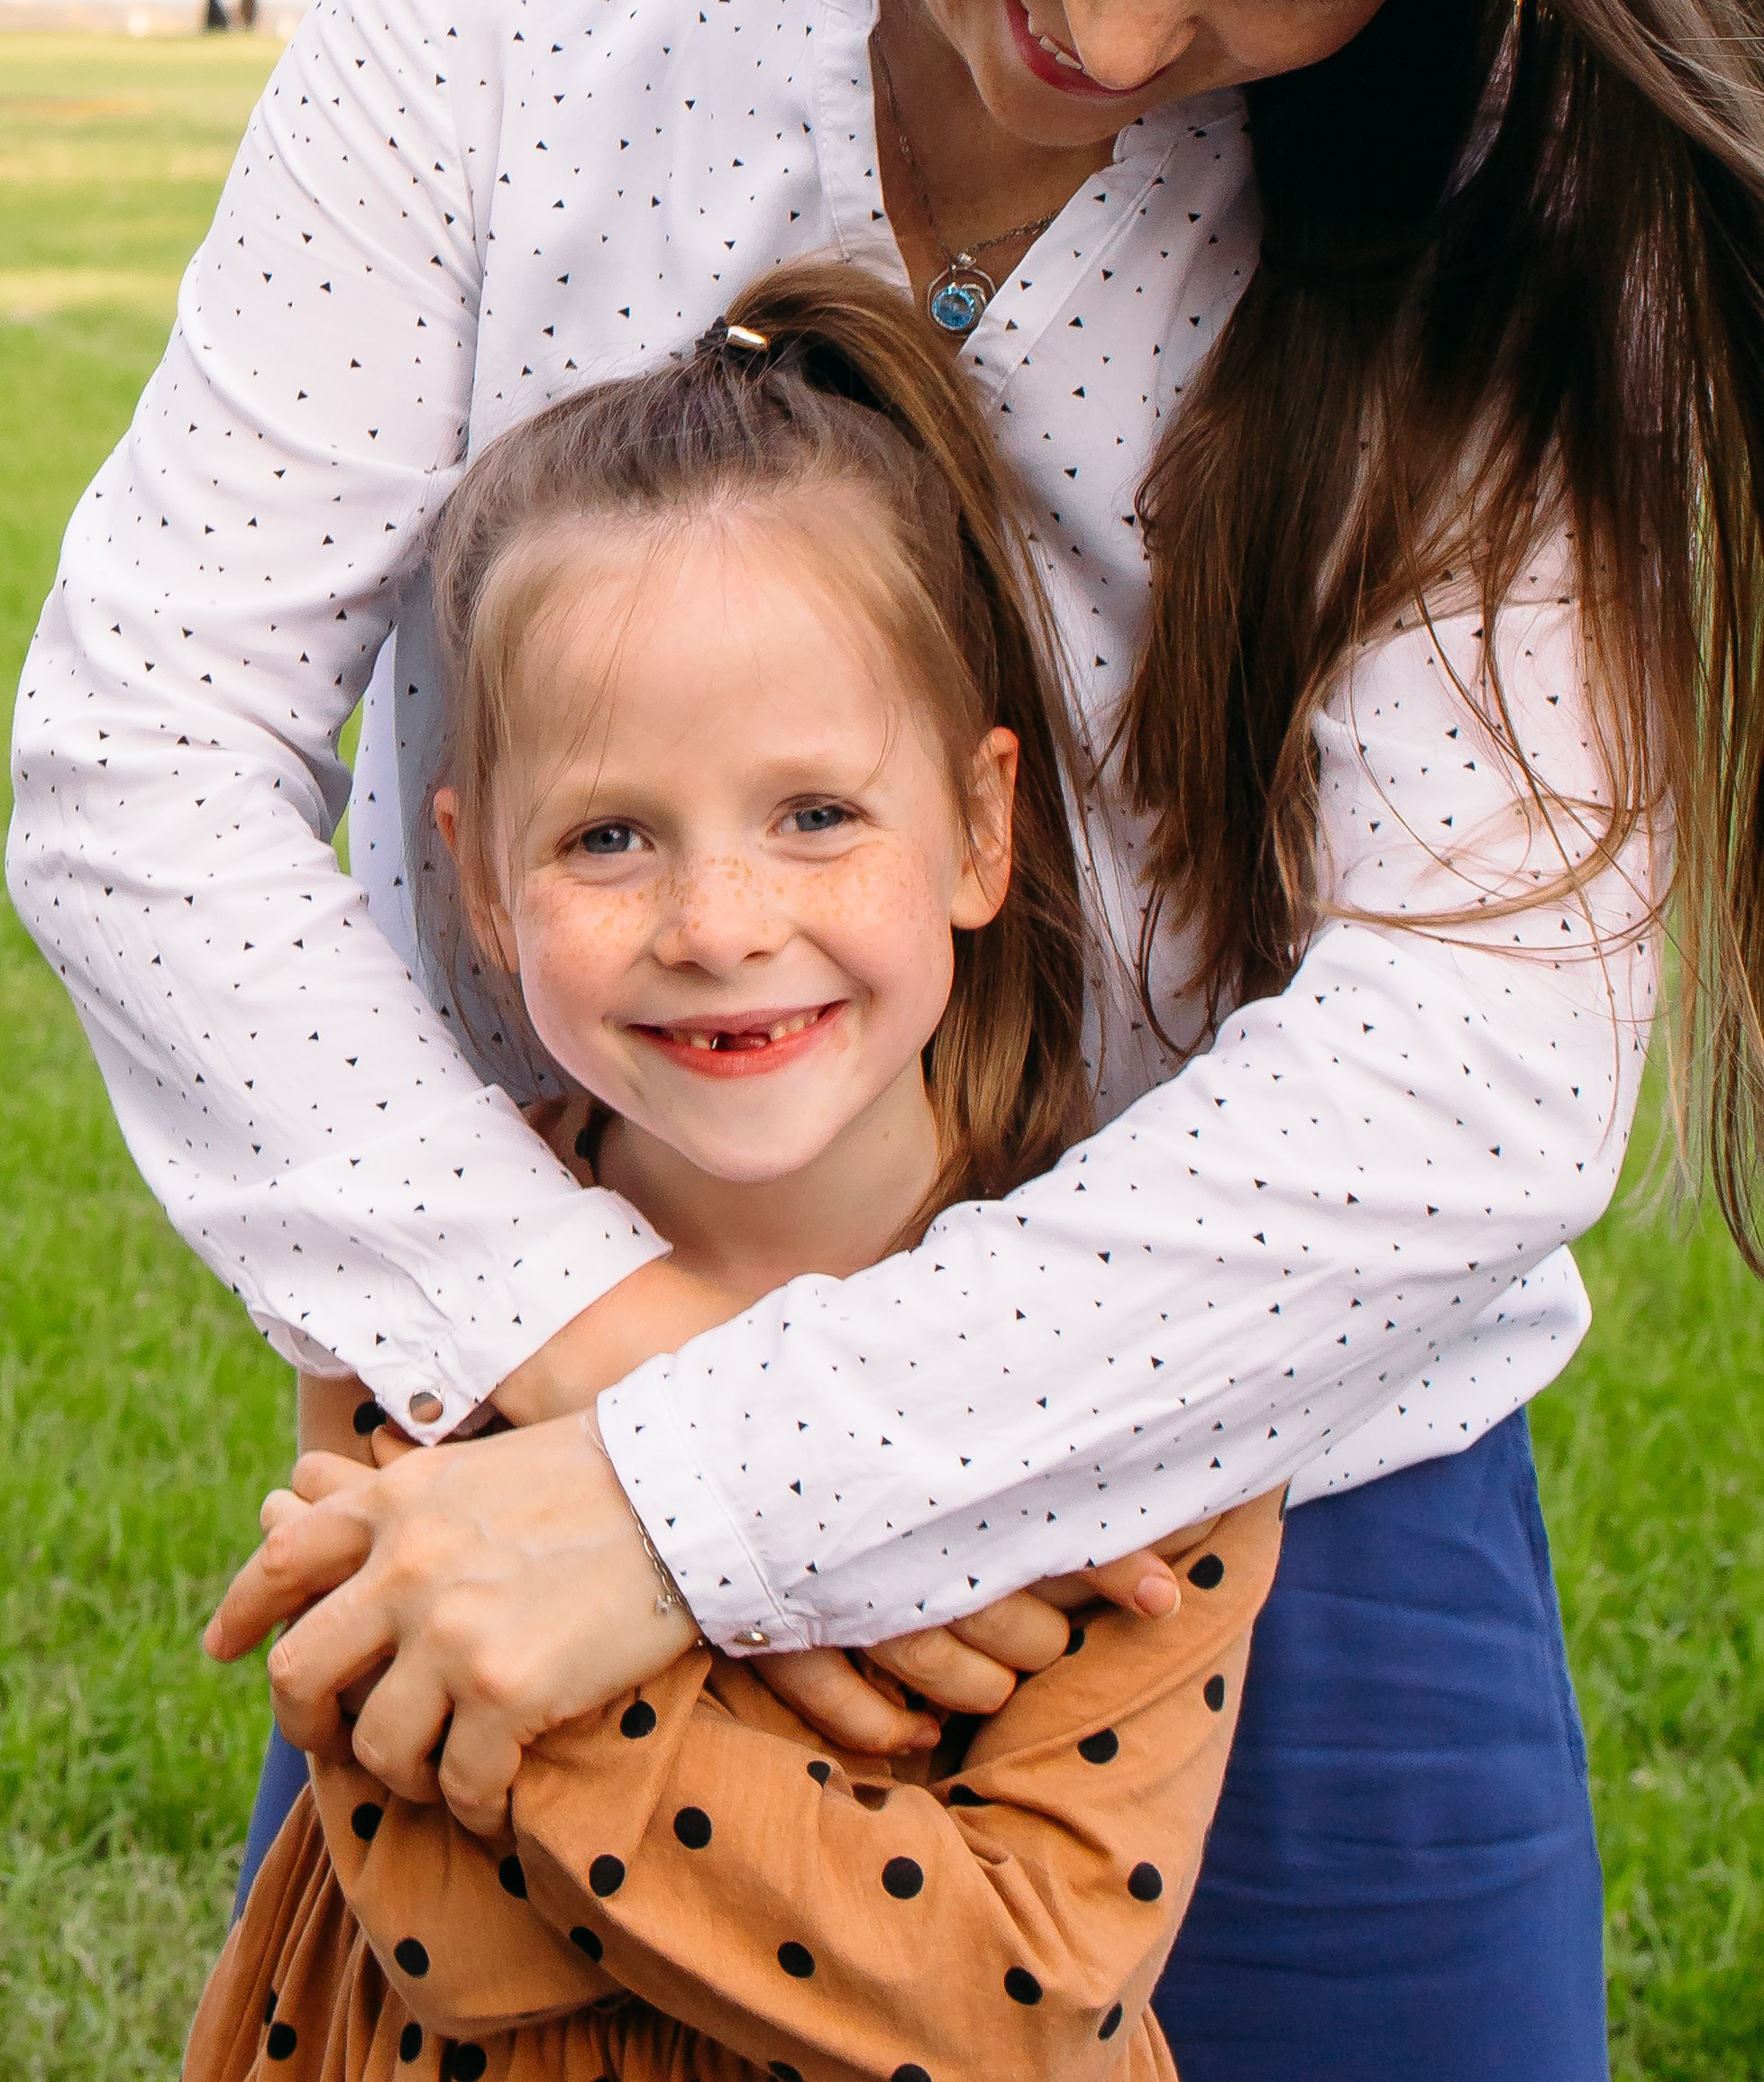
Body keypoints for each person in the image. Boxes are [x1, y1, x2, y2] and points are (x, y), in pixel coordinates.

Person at [12, 0, 1759, 2072]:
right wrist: (601, 1392)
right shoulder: (503, 17)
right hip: (515, 1451)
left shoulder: (1502, 197)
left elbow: (1470, 1050)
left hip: (1286, 1498)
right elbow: (143, 751)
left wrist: (715, 1504)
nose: (1127, 28)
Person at [185, 263, 1285, 2082]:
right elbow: (439, 1934)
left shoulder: (1119, 1350)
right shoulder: (430, 1277)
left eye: (816, 814)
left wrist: (536, 1670)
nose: (716, 924)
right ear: (475, 878)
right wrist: (839, 1825)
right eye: (609, 834)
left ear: (982, 823)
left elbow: (1025, 1988)